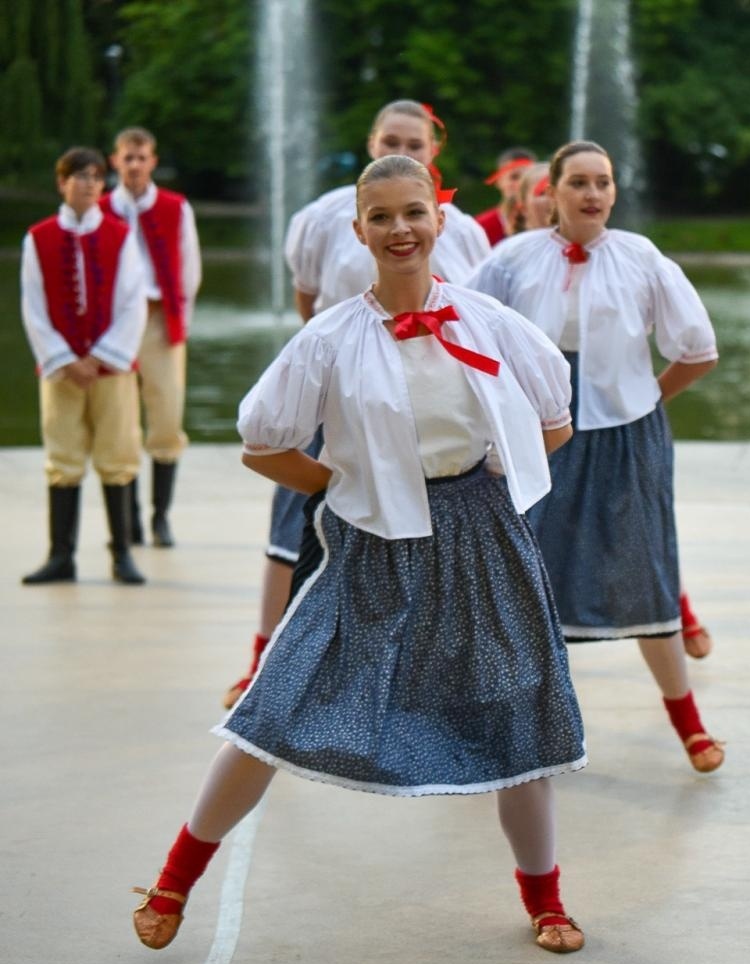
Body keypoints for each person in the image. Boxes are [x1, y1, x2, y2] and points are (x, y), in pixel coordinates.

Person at [131, 154, 589, 956]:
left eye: (414, 212)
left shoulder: (487, 320)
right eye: (381, 218)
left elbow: (555, 414)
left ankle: (545, 900)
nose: (400, 229)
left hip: (482, 539)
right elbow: (261, 439)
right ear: (360, 231)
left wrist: (500, 471)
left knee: (518, 720)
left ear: (440, 221)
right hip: (373, 545)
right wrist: (342, 481)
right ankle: (174, 880)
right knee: (273, 706)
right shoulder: (332, 336)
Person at [223, 99, 491, 710]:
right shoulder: (323, 218)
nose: (402, 148)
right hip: (340, 399)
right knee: (292, 534)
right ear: (371, 141)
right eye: (390, 138)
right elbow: (307, 299)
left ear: (434, 152)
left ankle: (422, 675)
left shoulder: (463, 229)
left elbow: (477, 322)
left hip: (426, 411)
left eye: (416, 143)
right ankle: (263, 661)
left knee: (427, 539)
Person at [467, 140, 725, 773]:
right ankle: (515, 726)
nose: (591, 194)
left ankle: (688, 723)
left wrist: (645, 398)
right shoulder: (512, 259)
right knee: (525, 577)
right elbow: (461, 329)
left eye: (602, 182)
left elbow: (699, 348)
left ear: (614, 191)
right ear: (550, 192)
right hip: (540, 437)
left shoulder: (641, 257)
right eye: (577, 182)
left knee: (645, 569)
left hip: (626, 438)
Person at [21, 147, 150, 586]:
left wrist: (101, 356)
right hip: (61, 371)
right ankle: (61, 557)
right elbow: (33, 306)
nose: (90, 183)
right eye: (79, 176)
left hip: (110, 370)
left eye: (96, 176)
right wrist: (63, 358)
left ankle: (122, 555)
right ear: (62, 183)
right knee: (63, 459)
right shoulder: (38, 237)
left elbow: (133, 303)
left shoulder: (120, 234)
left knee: (118, 457)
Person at [101, 126, 202, 548]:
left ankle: (160, 516)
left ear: (153, 162)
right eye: (128, 157)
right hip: (114, 325)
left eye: (143, 157)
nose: (135, 165)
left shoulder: (175, 208)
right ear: (115, 161)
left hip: (160, 322)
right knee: (119, 422)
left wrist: (181, 323)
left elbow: (189, 270)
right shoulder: (102, 209)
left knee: (165, 417)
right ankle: (129, 522)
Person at [477, 147, 537, 247]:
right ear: (499, 182)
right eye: (514, 177)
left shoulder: (546, 225)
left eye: (527, 177)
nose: (521, 184)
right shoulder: (481, 227)